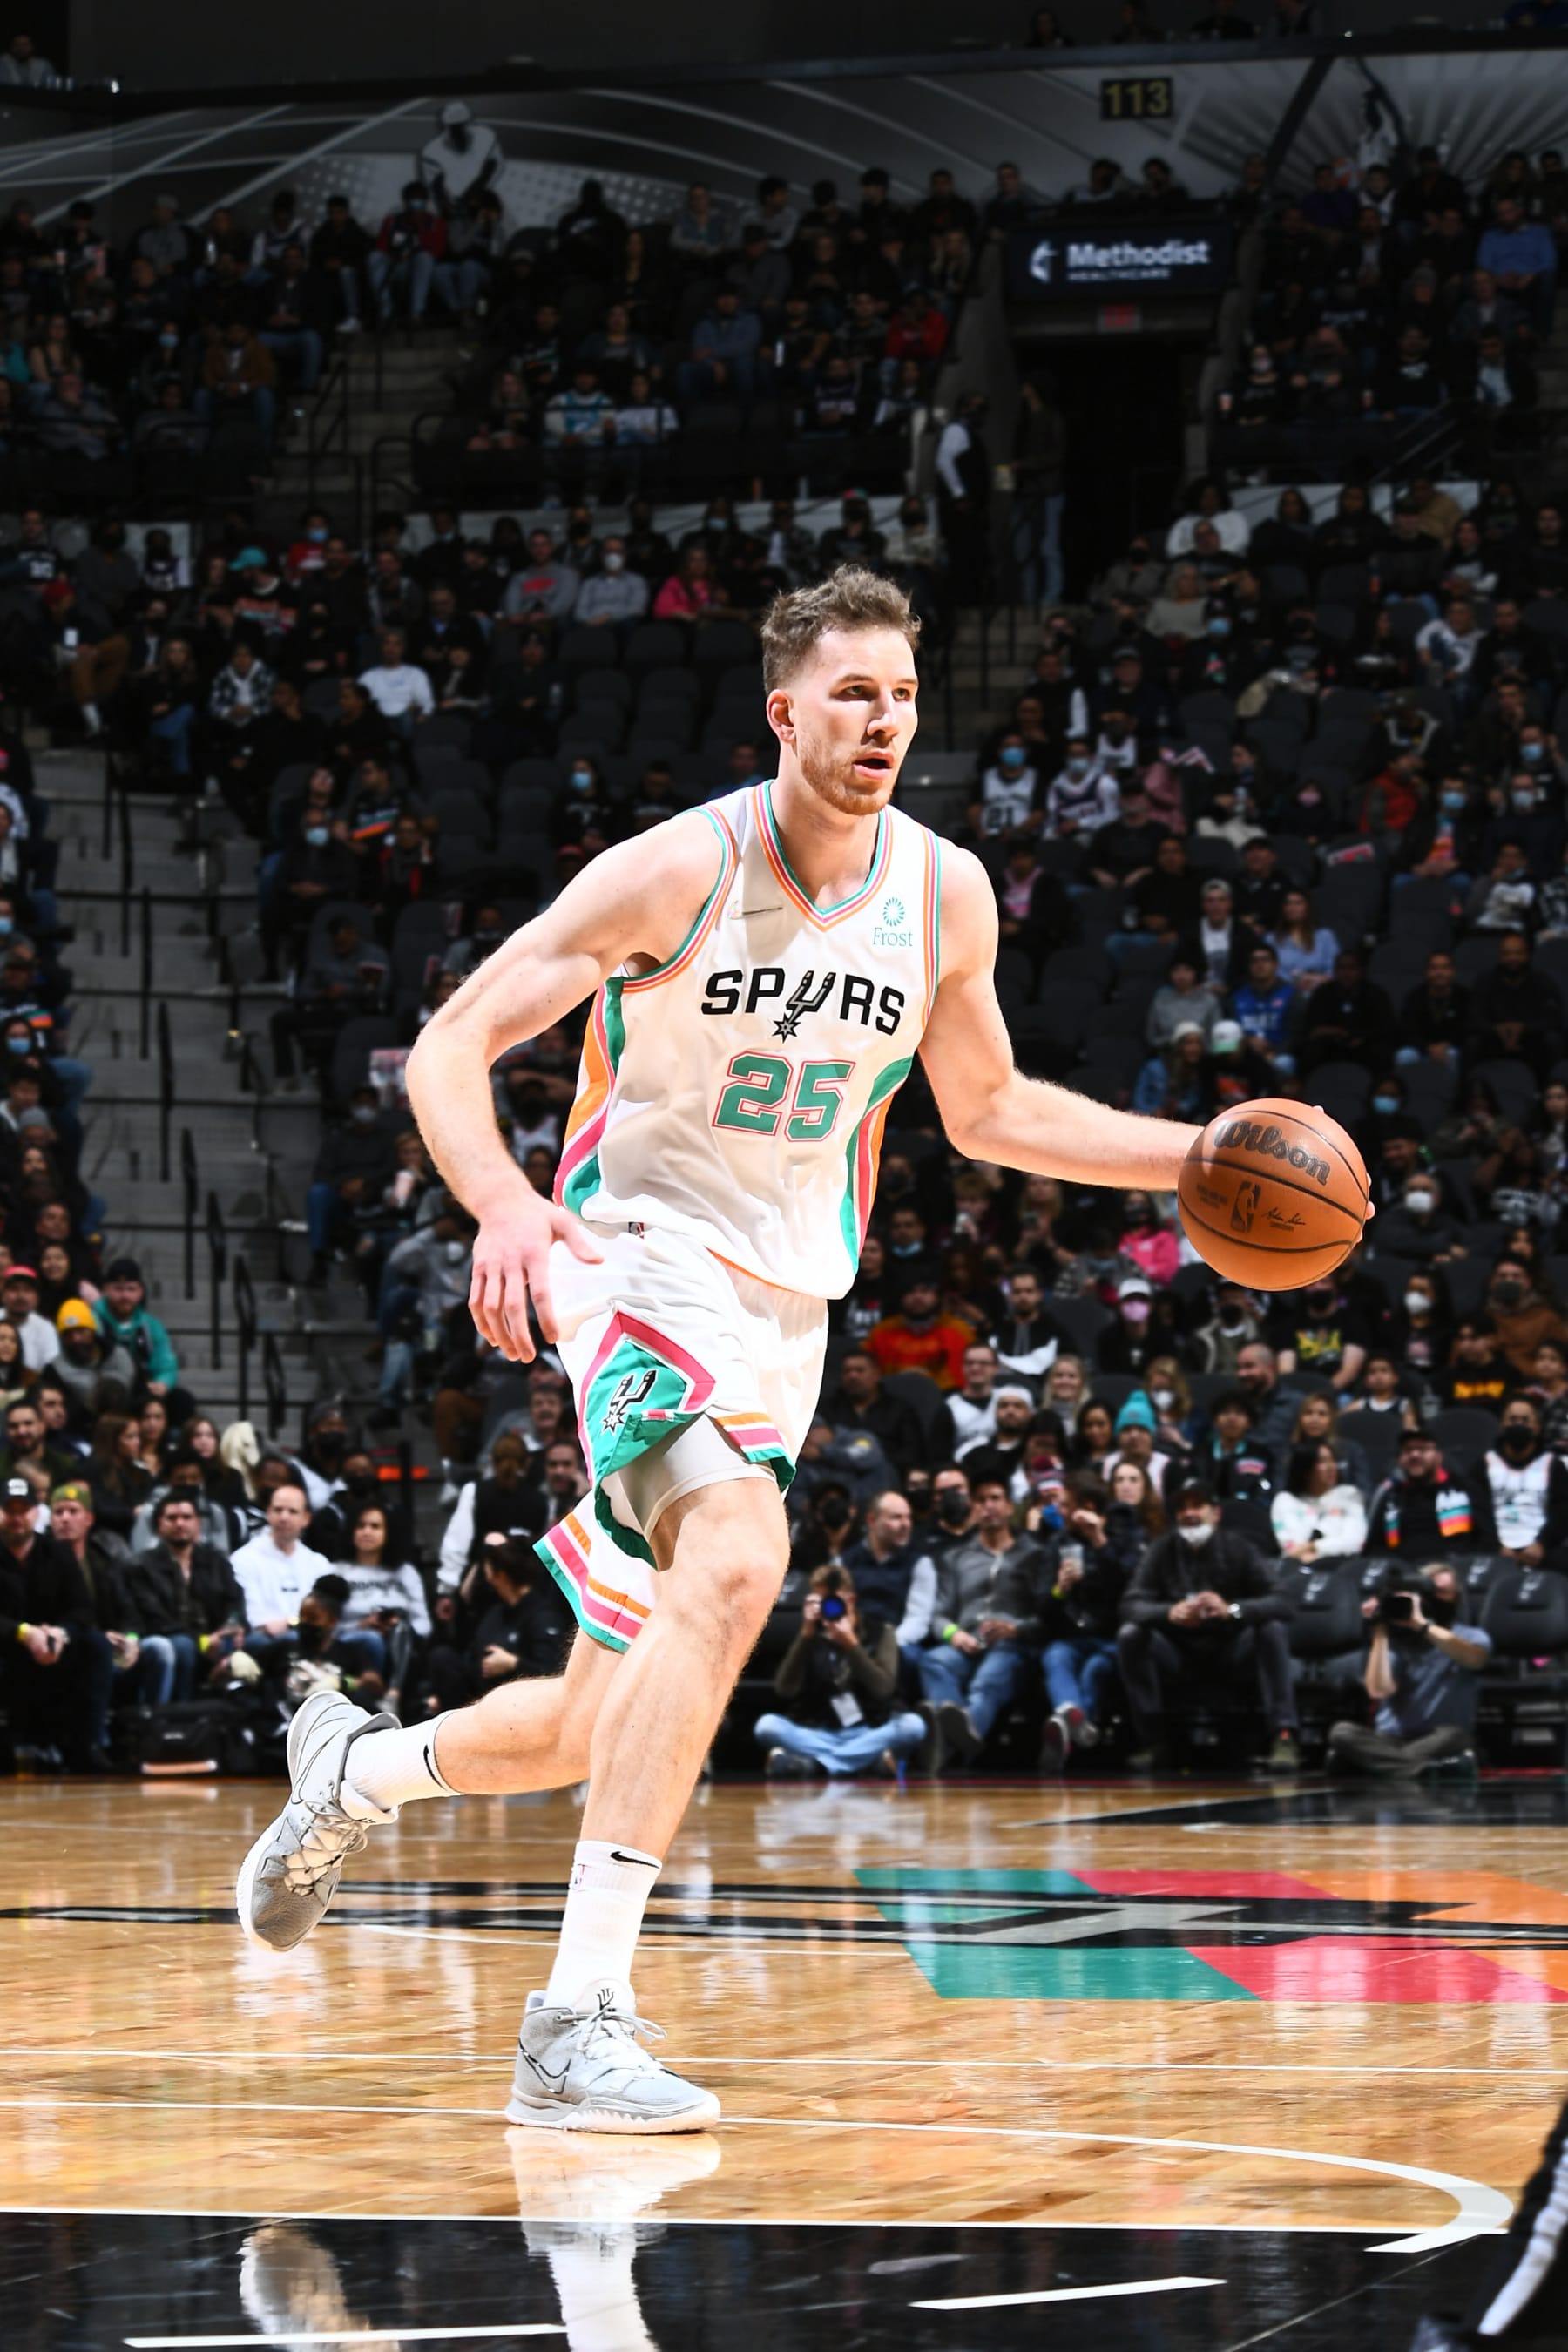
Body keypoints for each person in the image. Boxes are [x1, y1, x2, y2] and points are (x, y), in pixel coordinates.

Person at [233, 564, 1205, 2134]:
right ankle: (577, 2017)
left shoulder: (942, 892)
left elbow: (993, 1111)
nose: (883, 719)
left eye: (900, 693)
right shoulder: (681, 868)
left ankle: (350, 1775)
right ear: (783, 712)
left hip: (783, 1307)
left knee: (573, 1729)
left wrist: (1196, 1152)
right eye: (851, 693)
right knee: (743, 1556)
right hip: (630, 1261)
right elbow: (456, 1041)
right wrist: (502, 1208)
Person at [1117, 1478, 1300, 1773]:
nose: (1189, 1513)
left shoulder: (1239, 1547)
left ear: (1216, 1513)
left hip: (1231, 1651)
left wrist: (1233, 1610)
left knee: (1272, 1629)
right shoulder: (1161, 1550)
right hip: (1178, 1654)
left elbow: (1283, 1602)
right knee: (1131, 1635)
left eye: (1197, 1505)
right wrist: (1169, 1613)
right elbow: (1129, 1605)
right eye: (1182, 1508)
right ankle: (1152, 1741)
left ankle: (1284, 1736)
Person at [916, 1475, 1049, 1768]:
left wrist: (1017, 1628)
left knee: (988, 1680)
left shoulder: (1034, 1554)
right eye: (982, 1501)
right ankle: (960, 1735)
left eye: (995, 1499)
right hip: (966, 1643)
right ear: (974, 1508)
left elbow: (1045, 1614)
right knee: (934, 1661)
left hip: (1010, 1644)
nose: (989, 1506)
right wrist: (954, 1635)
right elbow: (939, 1615)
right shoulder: (956, 1557)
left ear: (1010, 1507)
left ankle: (949, 1745)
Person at [754, 1563, 928, 1779]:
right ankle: (867, 1762)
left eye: (834, 1601)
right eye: (822, 1601)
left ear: (851, 1600)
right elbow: (784, 1689)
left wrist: (851, 1645)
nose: (829, 1608)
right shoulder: (809, 1635)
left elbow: (884, 1689)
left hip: (868, 1730)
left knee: (913, 1726)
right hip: (818, 1732)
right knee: (767, 1726)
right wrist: (805, 1636)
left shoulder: (881, 1632)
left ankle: (817, 1765)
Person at [1328, 1563, 1490, 1778]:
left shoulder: (1470, 1635)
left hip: (1441, 1736)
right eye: (1430, 1592)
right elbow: (1378, 1691)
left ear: (1457, 1598)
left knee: (1456, 1736)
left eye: (1442, 1592)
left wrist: (1422, 1626)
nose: (1435, 1598)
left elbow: (1474, 1659)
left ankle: (1379, 1765)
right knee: (1342, 1732)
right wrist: (1380, 1632)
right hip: (1391, 1738)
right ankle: (1426, 1770)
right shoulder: (1395, 1640)